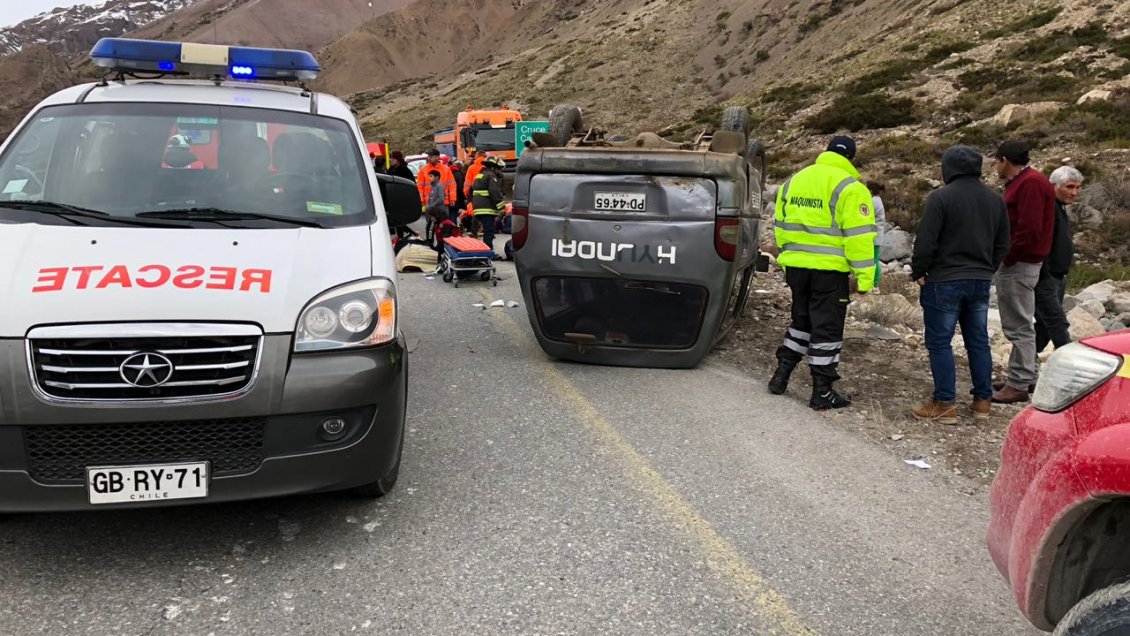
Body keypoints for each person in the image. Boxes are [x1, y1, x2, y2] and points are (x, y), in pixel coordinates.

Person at [769, 135, 877, 410]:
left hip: (796, 267)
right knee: (827, 331)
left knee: (801, 322)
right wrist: (865, 278)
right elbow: (859, 238)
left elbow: (779, 225)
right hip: (828, 273)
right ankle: (822, 392)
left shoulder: (794, 181)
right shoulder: (851, 188)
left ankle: (780, 376)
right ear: (851, 159)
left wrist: (786, 260)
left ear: (825, 152)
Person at [909, 146, 1011, 424]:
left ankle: (944, 403)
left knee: (940, 342)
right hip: (979, 280)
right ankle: (982, 402)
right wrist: (986, 268)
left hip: (944, 279)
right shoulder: (995, 200)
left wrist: (919, 271)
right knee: (977, 341)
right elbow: (1003, 243)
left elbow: (926, 242)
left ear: (948, 168)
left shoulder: (941, 198)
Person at [991, 140, 1056, 404]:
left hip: (1020, 264)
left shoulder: (1029, 184)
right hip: (1025, 262)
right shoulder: (1031, 181)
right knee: (1023, 324)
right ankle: (1026, 377)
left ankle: (1018, 382)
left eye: (996, 161)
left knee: (1018, 326)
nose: (995, 166)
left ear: (1005, 160)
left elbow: (1028, 229)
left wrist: (1008, 257)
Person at [1034, 166, 1083, 353]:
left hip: (1058, 277)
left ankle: (1023, 372)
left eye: (1078, 187)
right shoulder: (1048, 208)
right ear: (1053, 185)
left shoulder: (1059, 207)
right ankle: (1074, 372)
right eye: (1069, 187)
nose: (1074, 192)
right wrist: (1044, 273)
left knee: (1044, 328)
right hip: (1046, 277)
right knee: (1057, 325)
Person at [471, 157, 506, 256]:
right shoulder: (491, 176)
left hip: (478, 207)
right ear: (493, 168)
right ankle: (488, 253)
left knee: (481, 230)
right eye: (498, 169)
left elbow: (471, 190)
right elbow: (494, 192)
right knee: (489, 231)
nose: (499, 171)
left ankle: (481, 251)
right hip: (487, 208)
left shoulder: (480, 175)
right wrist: (501, 207)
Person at [416, 148, 456, 219]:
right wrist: (421, 200)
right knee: (430, 225)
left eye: (431, 156)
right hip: (429, 203)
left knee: (444, 224)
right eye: (428, 156)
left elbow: (452, 185)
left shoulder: (446, 169)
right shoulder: (423, 170)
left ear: (437, 157)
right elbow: (419, 187)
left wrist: (452, 199)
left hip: (443, 202)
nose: (429, 158)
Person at [866, 181, 887, 292]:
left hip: (874, 235)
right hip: (877, 235)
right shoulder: (878, 200)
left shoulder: (873, 201)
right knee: (875, 259)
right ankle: (875, 284)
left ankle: (875, 285)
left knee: (873, 260)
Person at [424, 170, 447, 247]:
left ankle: (432, 245)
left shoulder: (439, 186)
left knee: (431, 229)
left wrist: (431, 206)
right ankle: (430, 244)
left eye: (431, 176)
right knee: (430, 229)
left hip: (437, 212)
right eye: (429, 176)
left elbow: (441, 199)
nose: (429, 178)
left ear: (436, 177)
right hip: (432, 211)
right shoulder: (433, 186)